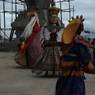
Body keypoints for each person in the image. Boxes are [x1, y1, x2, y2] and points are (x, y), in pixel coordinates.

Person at [55, 16, 95, 95]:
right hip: (75, 78)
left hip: (63, 78)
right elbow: (87, 61)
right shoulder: (80, 44)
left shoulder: (65, 44)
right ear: (80, 29)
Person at [32, 6, 64, 76]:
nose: (54, 19)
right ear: (50, 18)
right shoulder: (45, 27)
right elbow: (41, 35)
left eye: (55, 17)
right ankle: (47, 72)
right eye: (52, 17)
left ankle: (57, 72)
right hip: (48, 46)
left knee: (58, 59)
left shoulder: (61, 27)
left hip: (57, 46)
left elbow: (63, 36)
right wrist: (43, 41)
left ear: (58, 18)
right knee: (46, 59)